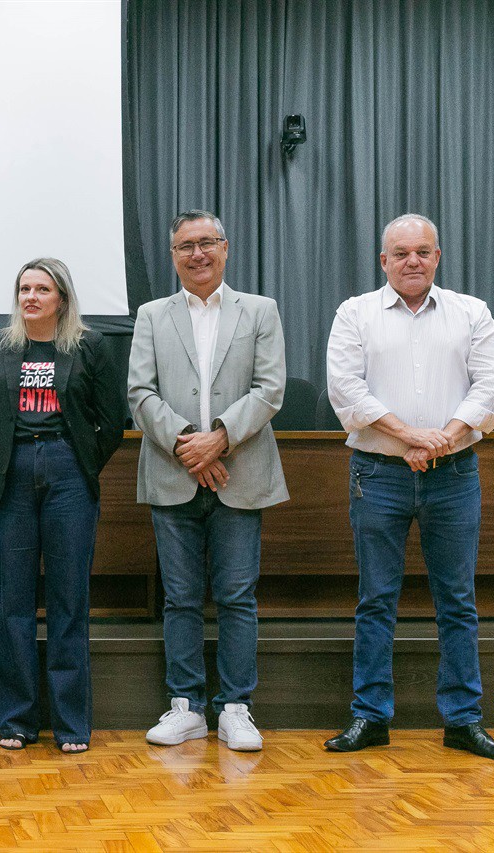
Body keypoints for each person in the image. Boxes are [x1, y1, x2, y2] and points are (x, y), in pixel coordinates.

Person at [324, 213, 494, 760]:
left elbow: (490, 385)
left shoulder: (470, 312)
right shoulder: (354, 313)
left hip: (453, 474)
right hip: (378, 474)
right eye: (401, 253)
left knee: (457, 601)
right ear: (383, 260)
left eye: (423, 252)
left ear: (437, 257)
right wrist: (408, 434)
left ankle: (463, 720)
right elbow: (345, 388)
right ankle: (370, 718)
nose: (412, 261)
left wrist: (442, 440)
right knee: (375, 600)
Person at [127, 210, 287, 752]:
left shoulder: (260, 311)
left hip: (241, 471)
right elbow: (140, 394)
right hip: (173, 471)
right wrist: (188, 446)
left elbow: (270, 389)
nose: (197, 254)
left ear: (225, 247)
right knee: (180, 597)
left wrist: (218, 438)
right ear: (173, 256)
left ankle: (236, 709)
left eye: (207, 243)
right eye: (185, 246)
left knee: (238, 596)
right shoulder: (151, 315)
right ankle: (186, 706)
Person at [0, 258, 126, 754]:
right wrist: (8, 459)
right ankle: (16, 720)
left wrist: (79, 465)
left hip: (69, 476)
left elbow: (112, 420)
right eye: (24, 288)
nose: (31, 297)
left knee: (68, 603)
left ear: (62, 298)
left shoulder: (88, 346)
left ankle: (71, 725)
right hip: (12, 474)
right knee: (13, 604)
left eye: (42, 289)